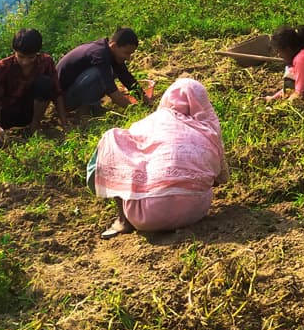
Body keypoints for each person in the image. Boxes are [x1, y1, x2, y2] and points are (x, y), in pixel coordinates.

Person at [90, 77, 230, 239]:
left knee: (113, 139)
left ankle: (123, 220)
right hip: (195, 212)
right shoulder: (207, 131)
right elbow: (218, 179)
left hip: (145, 218)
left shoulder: (147, 124)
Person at [0, 28, 68, 147]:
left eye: (30, 57)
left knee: (45, 83)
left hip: (30, 111)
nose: (25, 62)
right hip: (7, 112)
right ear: (14, 51)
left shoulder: (45, 62)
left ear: (37, 53)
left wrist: (65, 124)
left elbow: (56, 93)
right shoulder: (1, 68)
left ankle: (34, 126)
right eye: (21, 56)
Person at [57, 27, 151, 113]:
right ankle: (87, 108)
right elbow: (110, 89)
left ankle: (91, 106)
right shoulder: (99, 55)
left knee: (110, 72)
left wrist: (146, 100)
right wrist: (133, 110)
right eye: (126, 53)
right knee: (98, 75)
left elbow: (127, 78)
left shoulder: (109, 52)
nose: (128, 58)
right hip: (64, 100)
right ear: (114, 46)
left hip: (75, 89)